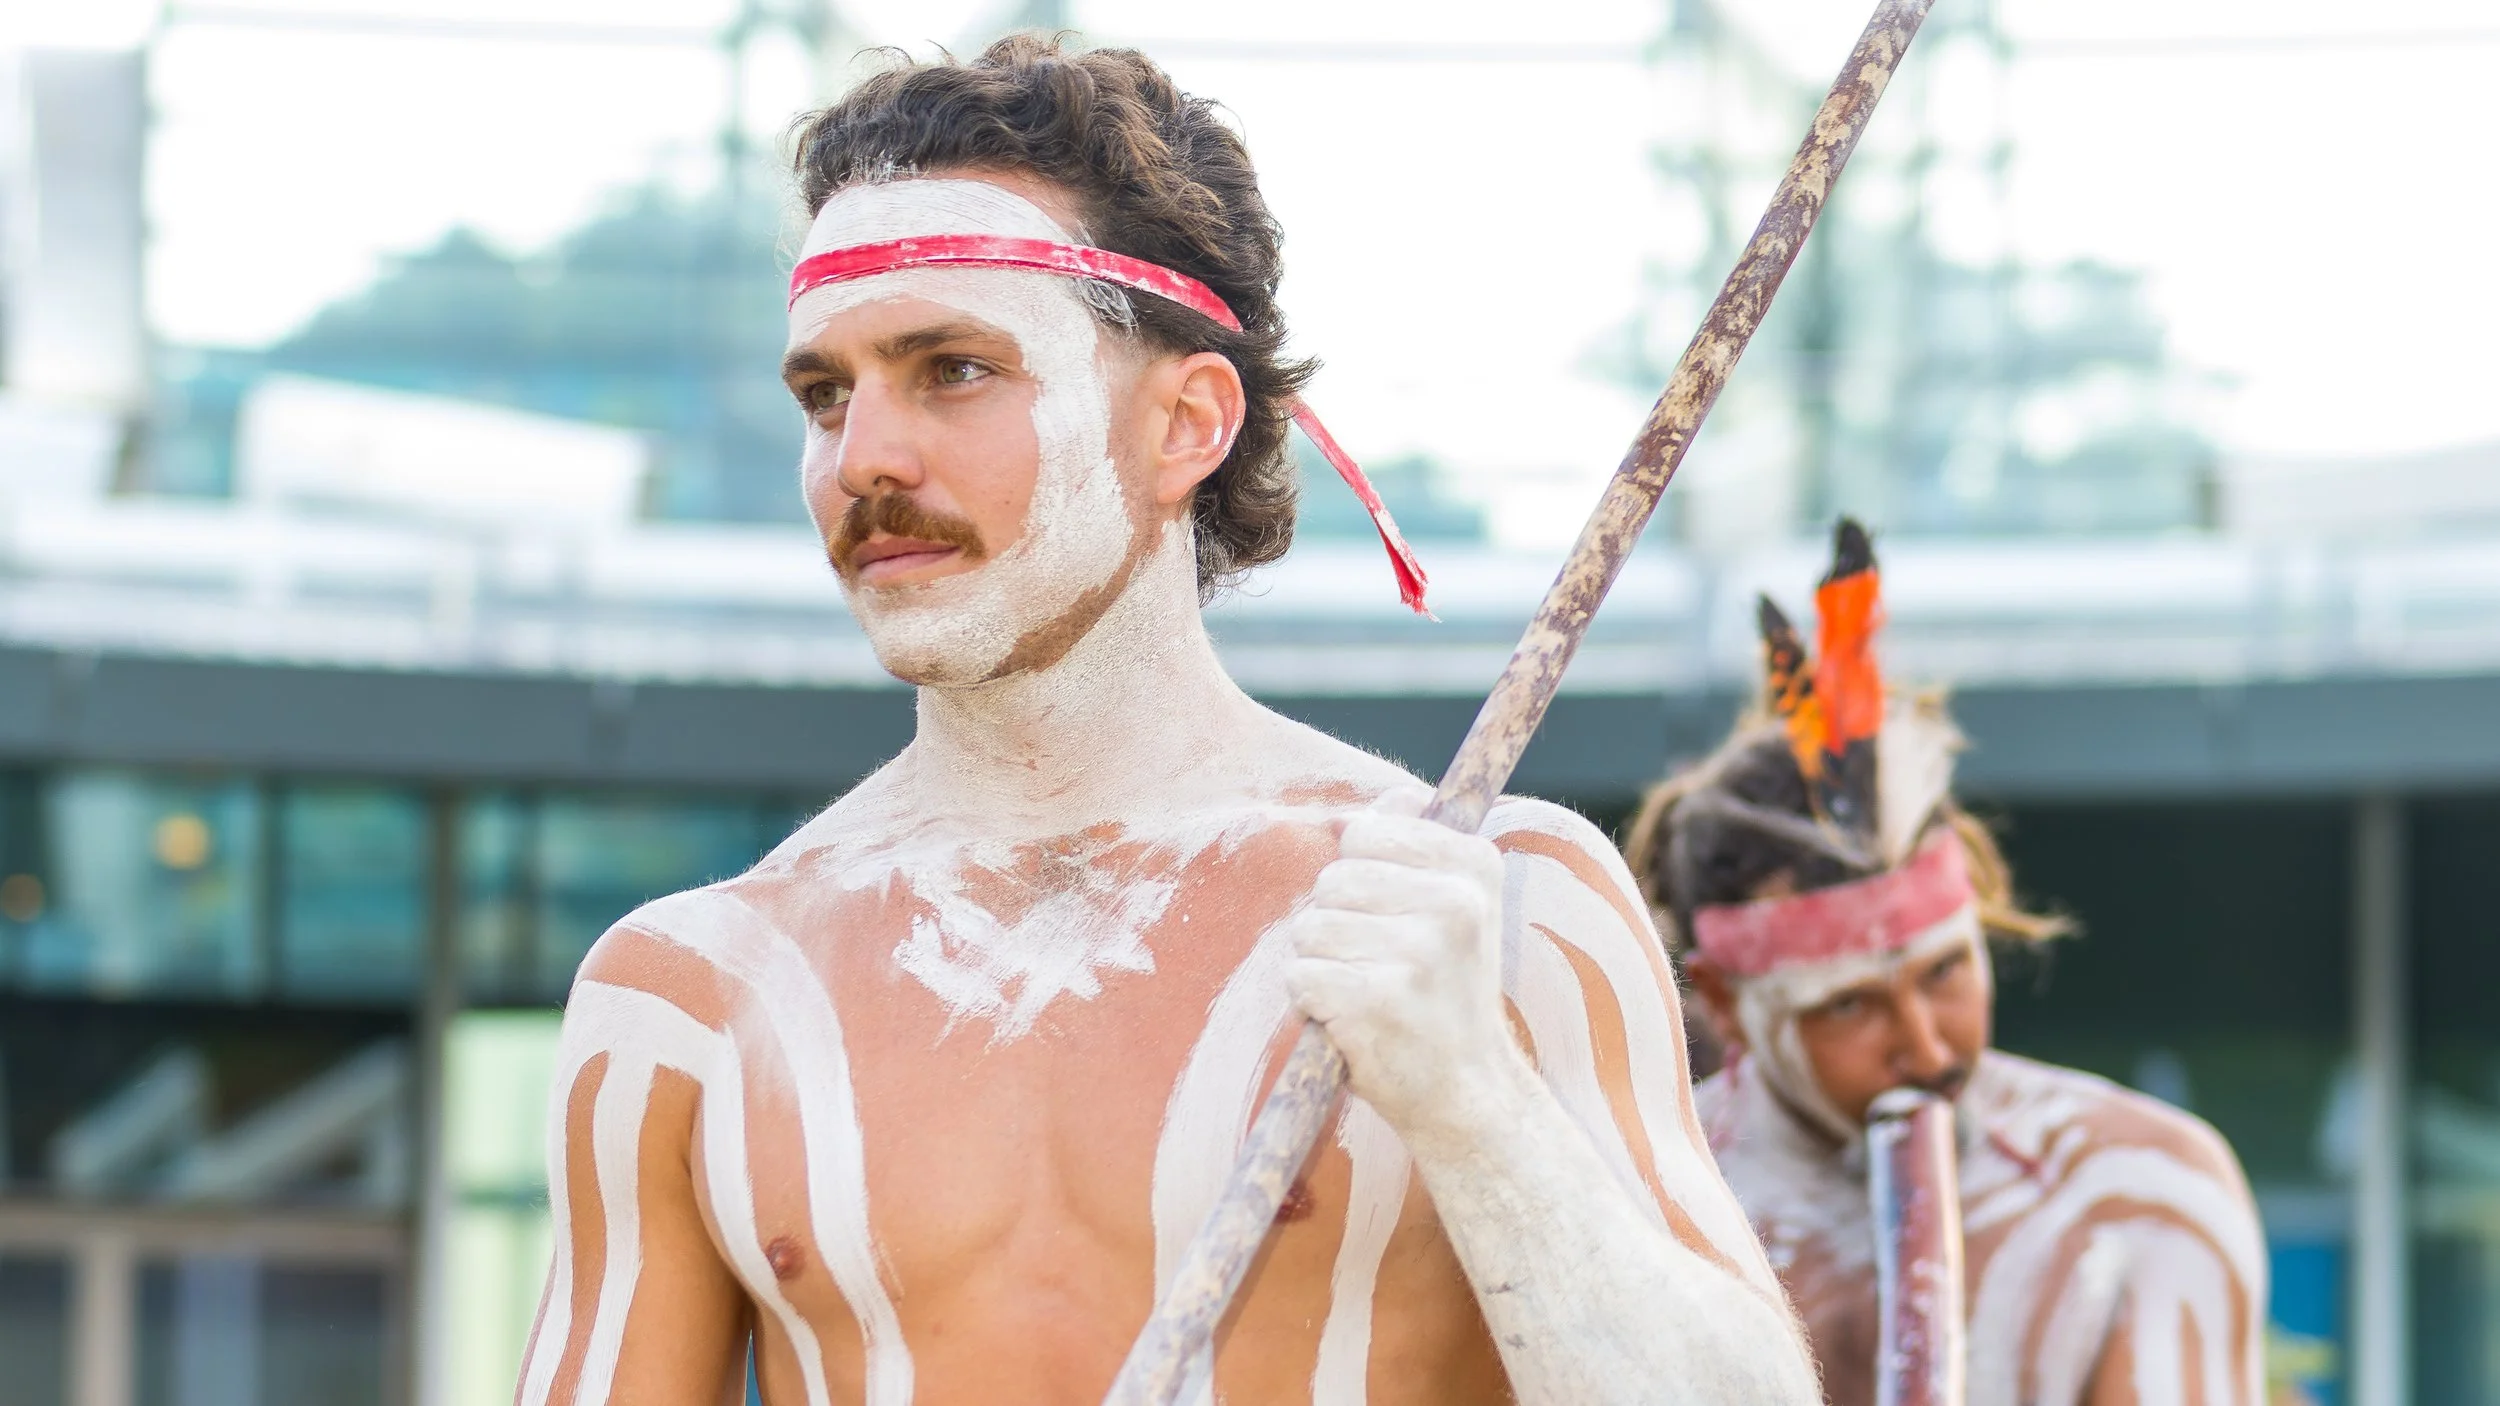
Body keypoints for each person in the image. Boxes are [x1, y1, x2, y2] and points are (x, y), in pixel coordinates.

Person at [516, 36, 1815, 1406]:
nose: (863, 460)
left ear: (1186, 421)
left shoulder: (1495, 906)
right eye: (826, 393)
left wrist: (1472, 1094)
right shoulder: (684, 999)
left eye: (952, 369)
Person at [1622, 520, 2270, 1406]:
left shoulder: (2138, 1189)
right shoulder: (1637, 1202)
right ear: (1731, 1004)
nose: (1926, 1049)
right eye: (1849, 1006)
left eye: (1946, 974)